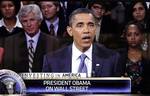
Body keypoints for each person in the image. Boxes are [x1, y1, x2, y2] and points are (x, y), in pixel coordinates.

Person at [43, 8, 122, 77]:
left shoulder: (112, 59)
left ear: (95, 29)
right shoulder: (52, 60)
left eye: (91, 25)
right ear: (70, 31)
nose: (86, 30)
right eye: (80, 25)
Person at [2, 4, 60, 73]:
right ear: (21, 23)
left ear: (39, 21)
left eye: (32, 20)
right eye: (25, 21)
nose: (29, 24)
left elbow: (56, 69)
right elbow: (7, 70)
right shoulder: (10, 42)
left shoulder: (53, 42)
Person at [118, 21, 150, 93]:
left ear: (142, 36)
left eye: (136, 34)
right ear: (125, 37)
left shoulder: (147, 57)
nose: (133, 38)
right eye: (129, 35)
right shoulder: (119, 56)